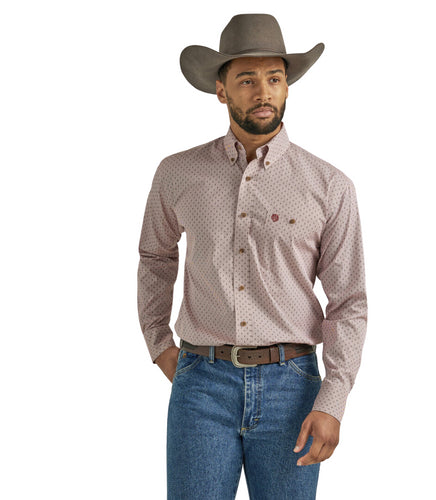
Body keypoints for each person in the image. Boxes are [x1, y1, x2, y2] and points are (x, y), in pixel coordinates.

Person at [137, 13, 368, 499]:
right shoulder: (178, 173)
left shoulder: (329, 186)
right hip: (201, 385)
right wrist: (159, 343)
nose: (263, 92)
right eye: (247, 80)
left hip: (293, 388)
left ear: (287, 87)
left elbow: (349, 301)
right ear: (221, 90)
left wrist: (333, 399)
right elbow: (155, 257)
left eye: (274, 79)